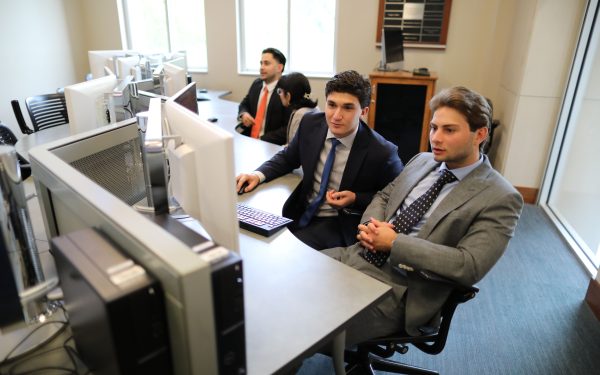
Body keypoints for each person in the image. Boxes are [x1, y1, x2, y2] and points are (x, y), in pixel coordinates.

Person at [323, 86, 524, 346]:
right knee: (283, 286)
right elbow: (385, 196)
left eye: (449, 130)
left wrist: (394, 243)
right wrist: (370, 227)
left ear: (480, 134)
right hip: (357, 255)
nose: (435, 138)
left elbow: (469, 264)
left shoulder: (500, 196)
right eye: (433, 128)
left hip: (401, 289)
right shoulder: (422, 160)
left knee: (303, 325)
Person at [235, 70, 404, 250]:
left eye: (347, 108)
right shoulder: (310, 124)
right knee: (250, 235)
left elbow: (397, 197)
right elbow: (287, 158)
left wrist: (356, 198)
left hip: (338, 222)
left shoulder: (383, 152)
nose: (336, 115)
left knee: (284, 250)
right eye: (331, 105)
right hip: (301, 210)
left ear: (363, 111)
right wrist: (258, 175)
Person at [237, 47, 290, 145]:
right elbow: (244, 103)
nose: (261, 67)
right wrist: (244, 114)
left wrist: (261, 140)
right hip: (249, 140)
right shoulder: (256, 84)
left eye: (266, 63)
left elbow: (288, 128)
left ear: (279, 67)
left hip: (270, 144)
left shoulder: (286, 91)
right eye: (261, 63)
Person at [276, 72, 319, 143]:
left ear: (288, 96)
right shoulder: (316, 108)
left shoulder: (299, 115)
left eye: (280, 91)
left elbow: (293, 148)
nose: (279, 95)